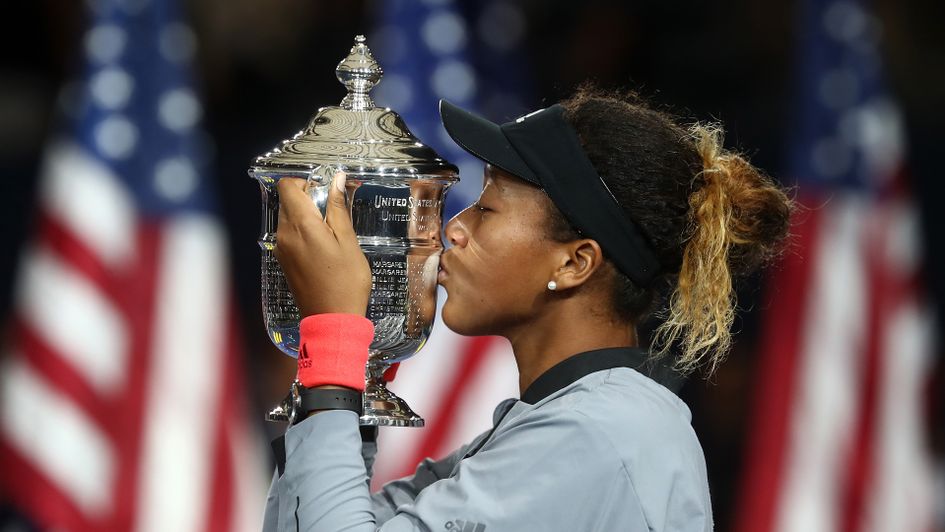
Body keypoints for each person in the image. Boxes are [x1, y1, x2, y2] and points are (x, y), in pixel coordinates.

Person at [263, 86, 793, 532]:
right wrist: (359, 370)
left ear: (574, 263)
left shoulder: (597, 435)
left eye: (488, 207)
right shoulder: (565, 425)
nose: (455, 228)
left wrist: (335, 341)